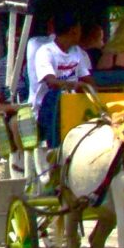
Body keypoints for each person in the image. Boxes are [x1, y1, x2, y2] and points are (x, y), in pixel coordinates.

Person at [30, 19, 94, 157]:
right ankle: (55, 151)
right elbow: (51, 82)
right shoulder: (45, 52)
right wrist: (74, 85)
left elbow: (87, 79)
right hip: (47, 108)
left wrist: (90, 88)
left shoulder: (77, 52)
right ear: (74, 31)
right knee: (56, 95)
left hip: (73, 104)